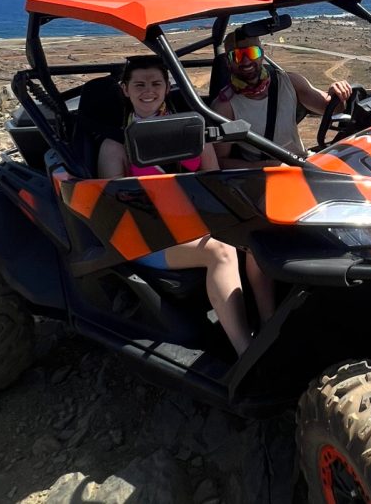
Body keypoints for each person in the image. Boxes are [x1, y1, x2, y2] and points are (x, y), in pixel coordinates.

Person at [97, 56, 259, 357]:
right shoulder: (116, 145)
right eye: (139, 84)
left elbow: (213, 181)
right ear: (125, 90)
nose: (149, 91)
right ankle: (246, 351)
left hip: (199, 221)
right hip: (147, 236)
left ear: (168, 86)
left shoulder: (192, 130)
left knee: (261, 237)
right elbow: (115, 207)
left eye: (156, 83)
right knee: (220, 252)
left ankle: (269, 324)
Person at [211, 35, 352, 165]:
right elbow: (221, 161)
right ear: (227, 62)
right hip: (263, 177)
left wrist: (338, 92)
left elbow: (333, 110)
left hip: (303, 163)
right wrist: (262, 166)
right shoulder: (225, 106)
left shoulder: (289, 82)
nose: (246, 61)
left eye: (252, 53)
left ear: (262, 54)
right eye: (237, 56)